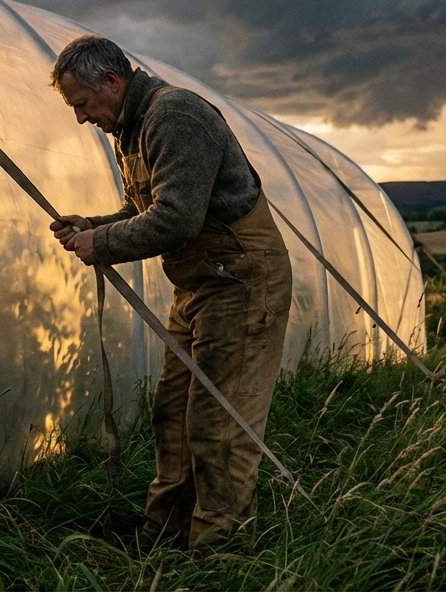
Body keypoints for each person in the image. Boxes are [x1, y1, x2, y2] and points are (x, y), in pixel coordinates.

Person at [48, 35, 293, 547]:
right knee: (174, 410)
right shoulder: (132, 129)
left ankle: (215, 547)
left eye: (81, 104)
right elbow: (146, 211)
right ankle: (163, 531)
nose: (81, 117)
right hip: (202, 284)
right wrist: (90, 225)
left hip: (241, 280)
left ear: (111, 82)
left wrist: (102, 242)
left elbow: (177, 220)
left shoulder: (174, 116)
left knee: (218, 420)